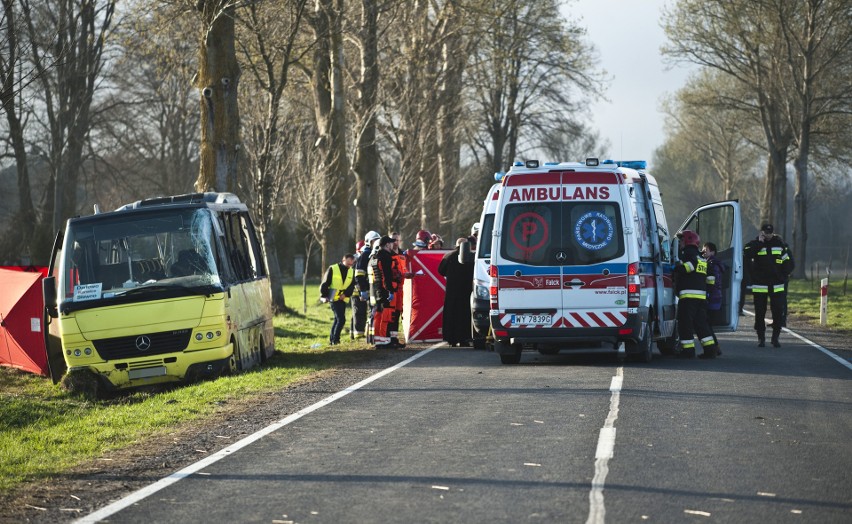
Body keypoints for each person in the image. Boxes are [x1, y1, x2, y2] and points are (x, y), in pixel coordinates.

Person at [743, 223, 794, 347]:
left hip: (777, 285)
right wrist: (759, 243)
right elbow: (746, 254)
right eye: (766, 233)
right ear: (761, 233)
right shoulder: (754, 244)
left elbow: (789, 263)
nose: (768, 235)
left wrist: (782, 276)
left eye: (770, 232)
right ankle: (761, 338)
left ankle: (775, 338)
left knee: (778, 312)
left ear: (773, 232)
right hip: (760, 285)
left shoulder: (780, 244)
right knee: (760, 312)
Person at [673, 230, 718, 359]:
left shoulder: (688, 253)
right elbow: (711, 278)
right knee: (701, 324)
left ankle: (688, 351)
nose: (680, 243)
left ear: (687, 240)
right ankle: (710, 350)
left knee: (685, 324)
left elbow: (689, 267)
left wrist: (676, 268)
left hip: (688, 297)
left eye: (681, 240)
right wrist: (706, 291)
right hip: (701, 298)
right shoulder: (701, 257)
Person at [438, 237, 475, 347]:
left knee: (451, 314)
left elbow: (440, 271)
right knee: (464, 314)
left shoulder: (448, 256)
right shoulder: (472, 257)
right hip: (466, 290)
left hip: (452, 291)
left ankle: (451, 339)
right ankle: (464, 338)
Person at [319, 253, 356, 345]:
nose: (349, 266)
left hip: (343, 299)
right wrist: (324, 296)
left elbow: (351, 286)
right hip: (333, 298)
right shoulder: (333, 268)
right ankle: (336, 340)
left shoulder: (352, 271)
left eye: (351, 264)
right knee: (341, 319)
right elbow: (325, 283)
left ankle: (332, 340)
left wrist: (345, 294)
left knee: (337, 319)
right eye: (348, 264)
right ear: (343, 260)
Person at [369, 235, 399, 348]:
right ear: (387, 244)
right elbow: (386, 276)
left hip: (377, 289)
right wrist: (390, 291)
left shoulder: (375, 257)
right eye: (391, 243)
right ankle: (384, 341)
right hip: (385, 290)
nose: (393, 245)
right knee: (386, 316)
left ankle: (378, 340)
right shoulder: (386, 257)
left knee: (378, 315)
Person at [353, 232, 379, 339]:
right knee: (371, 312)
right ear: (369, 242)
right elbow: (359, 275)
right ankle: (371, 337)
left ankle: (373, 335)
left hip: (374, 289)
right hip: (368, 289)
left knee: (374, 312)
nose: (376, 243)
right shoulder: (365, 255)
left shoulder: (375, 254)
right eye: (374, 241)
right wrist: (362, 290)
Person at [702, 241, 727, 356]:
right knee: (707, 325)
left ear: (712, 252)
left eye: (705, 250)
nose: (703, 251)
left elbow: (712, 282)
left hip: (713, 299)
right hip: (716, 298)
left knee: (706, 325)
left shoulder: (712, 264)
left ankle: (715, 347)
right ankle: (715, 347)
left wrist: (707, 295)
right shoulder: (712, 263)